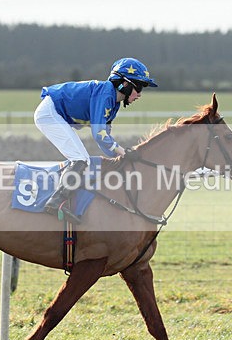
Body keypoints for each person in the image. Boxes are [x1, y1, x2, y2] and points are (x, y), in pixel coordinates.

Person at [34, 57, 158, 221]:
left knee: (82, 159)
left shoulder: (113, 103)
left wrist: (121, 156)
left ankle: (61, 201)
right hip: (50, 113)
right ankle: (55, 202)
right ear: (124, 84)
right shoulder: (106, 94)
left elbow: (106, 140)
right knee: (80, 159)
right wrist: (124, 152)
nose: (140, 94)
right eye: (139, 87)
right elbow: (99, 135)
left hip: (55, 113)